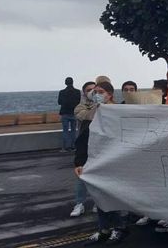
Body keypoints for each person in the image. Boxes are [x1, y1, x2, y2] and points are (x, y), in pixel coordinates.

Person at [75, 81, 128, 245]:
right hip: (96, 160)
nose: (96, 94)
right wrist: (78, 161)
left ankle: (119, 228)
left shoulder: (120, 112)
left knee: (111, 196)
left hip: (115, 160)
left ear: (109, 94)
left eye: (100, 91)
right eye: (94, 92)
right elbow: (83, 139)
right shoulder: (94, 113)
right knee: (99, 196)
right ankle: (104, 228)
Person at [70, 81, 96, 217]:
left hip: (101, 145)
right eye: (89, 90)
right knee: (82, 175)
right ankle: (79, 203)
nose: (92, 92)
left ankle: (99, 203)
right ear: (84, 93)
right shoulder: (80, 107)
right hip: (85, 144)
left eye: (94, 89)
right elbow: (85, 116)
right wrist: (98, 106)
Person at [58, 77, 80, 152]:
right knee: (74, 131)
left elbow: (59, 102)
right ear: (72, 82)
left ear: (65, 83)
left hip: (65, 113)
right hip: (74, 113)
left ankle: (66, 147)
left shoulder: (62, 92)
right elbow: (78, 102)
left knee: (65, 131)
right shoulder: (77, 92)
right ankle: (73, 147)